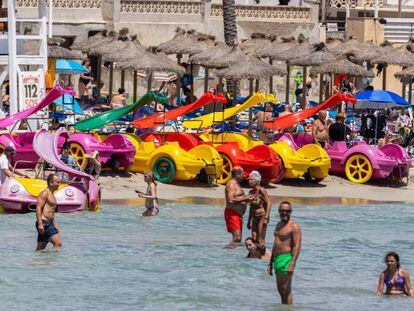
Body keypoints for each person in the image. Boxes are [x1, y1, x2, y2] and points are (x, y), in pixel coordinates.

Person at [268, 201, 302, 305]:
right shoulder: (278, 225)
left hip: (287, 259)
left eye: (287, 211)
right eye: (282, 211)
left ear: (291, 212)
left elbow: (297, 246)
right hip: (277, 259)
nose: (285, 213)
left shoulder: (294, 226)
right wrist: (270, 262)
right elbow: (276, 244)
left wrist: (292, 263)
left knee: (286, 290)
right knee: (280, 290)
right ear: (278, 211)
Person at [224, 167, 254, 243]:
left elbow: (239, 197)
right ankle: (228, 252)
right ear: (237, 174)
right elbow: (231, 200)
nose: (243, 176)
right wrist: (245, 199)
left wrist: (248, 198)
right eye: (242, 174)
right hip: (232, 213)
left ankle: (233, 253)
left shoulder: (237, 184)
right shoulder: (231, 185)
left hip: (238, 215)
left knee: (238, 238)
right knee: (237, 238)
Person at [35, 174, 62, 251]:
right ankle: (53, 262)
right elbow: (38, 208)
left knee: (40, 249)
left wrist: (54, 224)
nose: (59, 184)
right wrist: (40, 224)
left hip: (48, 223)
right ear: (51, 182)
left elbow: (51, 211)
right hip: (44, 223)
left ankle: (38, 262)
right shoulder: (44, 193)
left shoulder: (52, 194)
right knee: (57, 243)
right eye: (57, 182)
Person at [246, 171, 271, 249]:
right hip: (254, 218)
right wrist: (248, 221)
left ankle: (264, 257)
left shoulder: (261, 190)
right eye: (249, 179)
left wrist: (266, 217)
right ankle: (254, 258)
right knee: (253, 239)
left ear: (257, 181)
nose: (249, 181)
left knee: (260, 239)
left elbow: (269, 203)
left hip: (262, 217)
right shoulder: (250, 192)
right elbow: (251, 207)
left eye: (251, 179)